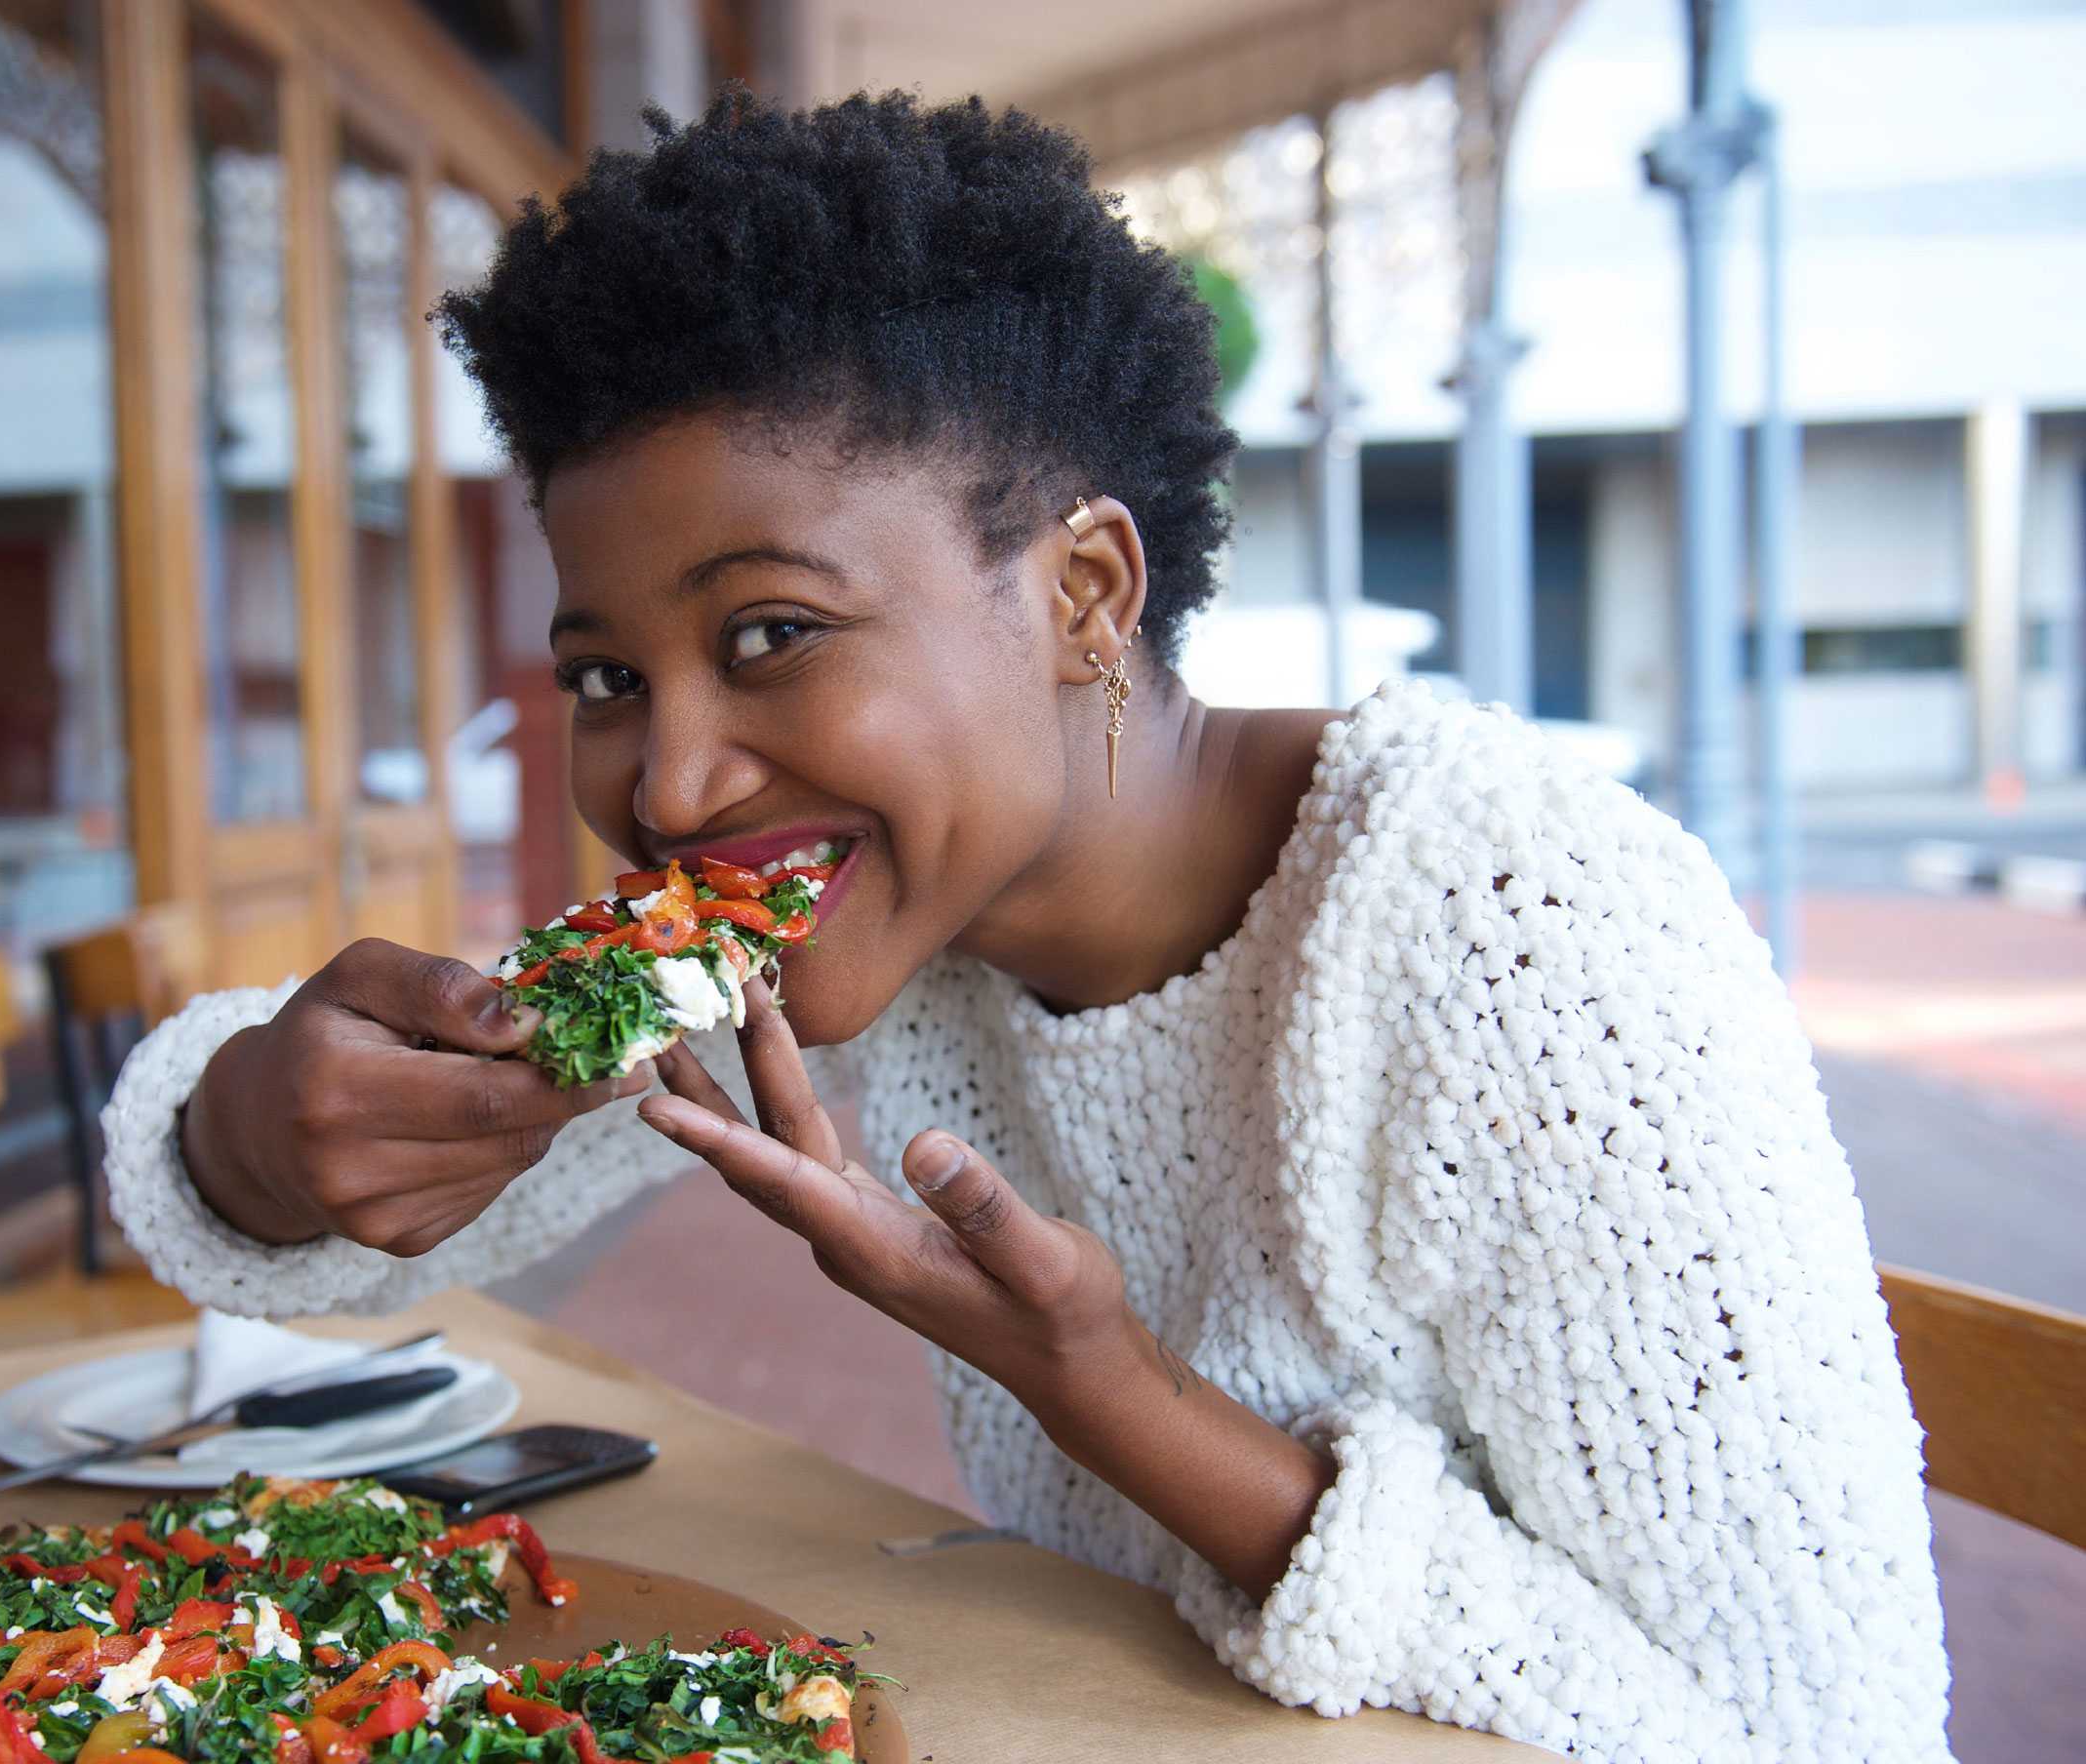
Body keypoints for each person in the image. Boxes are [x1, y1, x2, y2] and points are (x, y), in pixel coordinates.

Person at [104, 90, 1950, 1762]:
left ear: (1084, 593)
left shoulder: (1516, 921)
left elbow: (1819, 1736)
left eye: (770, 634)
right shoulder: (849, 907)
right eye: (605, 674)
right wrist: (264, 1128)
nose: (667, 783)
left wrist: (1112, 1397)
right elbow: (318, 1234)